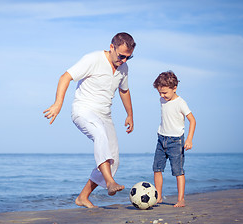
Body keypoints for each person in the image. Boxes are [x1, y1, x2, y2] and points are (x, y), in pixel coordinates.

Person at [43, 32, 136, 208]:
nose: (123, 60)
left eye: (128, 58)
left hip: (104, 115)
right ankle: (109, 182)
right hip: (83, 110)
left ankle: (83, 197)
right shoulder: (92, 59)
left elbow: (124, 90)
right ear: (111, 47)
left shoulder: (123, 68)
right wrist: (58, 104)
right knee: (99, 134)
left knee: (113, 159)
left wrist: (130, 114)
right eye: (121, 56)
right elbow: (66, 77)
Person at [152, 71, 196, 207]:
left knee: (178, 171)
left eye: (165, 92)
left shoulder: (180, 103)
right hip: (161, 138)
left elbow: (192, 120)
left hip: (176, 141)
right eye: (160, 92)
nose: (162, 95)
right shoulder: (162, 100)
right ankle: (158, 196)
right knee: (157, 168)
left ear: (174, 88)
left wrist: (189, 139)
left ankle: (181, 199)